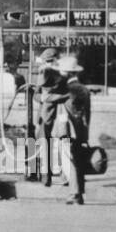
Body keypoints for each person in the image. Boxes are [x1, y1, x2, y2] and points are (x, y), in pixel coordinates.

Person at [44, 55, 91, 205]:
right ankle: (79, 193)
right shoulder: (84, 89)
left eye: (62, 72)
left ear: (67, 73)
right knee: (78, 160)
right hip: (80, 129)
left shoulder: (66, 89)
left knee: (69, 160)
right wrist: (85, 134)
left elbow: (47, 98)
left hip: (66, 130)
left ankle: (74, 194)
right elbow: (87, 114)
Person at [34, 48, 62, 186]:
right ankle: (47, 177)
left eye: (51, 61)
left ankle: (66, 175)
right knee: (45, 145)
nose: (48, 64)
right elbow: (36, 95)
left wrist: (50, 97)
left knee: (64, 144)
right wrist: (42, 97)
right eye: (47, 61)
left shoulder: (63, 74)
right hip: (45, 115)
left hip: (61, 114)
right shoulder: (43, 73)